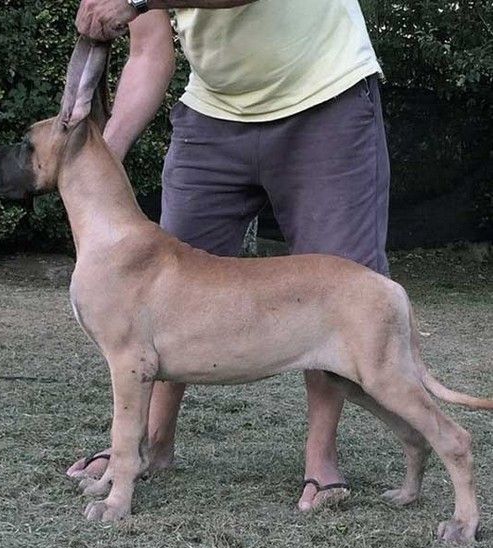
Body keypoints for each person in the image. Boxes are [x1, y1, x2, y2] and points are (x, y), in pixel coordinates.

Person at [67, 0, 390, 512]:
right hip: (213, 112)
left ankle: (321, 457)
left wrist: (135, 0)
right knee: (164, 289)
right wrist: (102, 159)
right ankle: (150, 442)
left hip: (326, 96)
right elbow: (149, 51)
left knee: (336, 291)